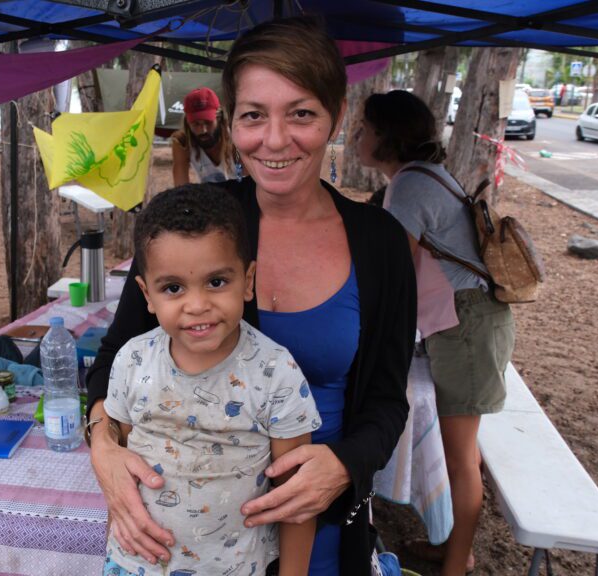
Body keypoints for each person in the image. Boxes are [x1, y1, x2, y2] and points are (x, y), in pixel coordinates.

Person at [86, 17, 417, 576]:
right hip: (185, 539)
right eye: (254, 115)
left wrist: (344, 465)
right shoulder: (200, 230)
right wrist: (104, 450)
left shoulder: (380, 241)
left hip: (317, 533)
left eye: (302, 113)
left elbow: (388, 398)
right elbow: (114, 358)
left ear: (336, 116)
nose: (276, 139)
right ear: (232, 120)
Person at [100, 184, 321, 576]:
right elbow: (120, 472)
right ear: (146, 295)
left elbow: (296, 499)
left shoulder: (276, 373)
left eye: (217, 282)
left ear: (248, 280)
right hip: (133, 567)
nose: (197, 304)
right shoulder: (131, 361)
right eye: (173, 288)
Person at [354, 89, 515, 576]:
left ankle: (456, 565)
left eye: (364, 128)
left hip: (468, 326)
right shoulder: (422, 177)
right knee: (458, 450)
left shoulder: (408, 184)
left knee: (462, 457)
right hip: (469, 322)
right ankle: (454, 550)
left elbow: (393, 271)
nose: (358, 136)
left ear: (386, 136)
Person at [171, 87, 234, 185]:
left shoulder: (236, 138)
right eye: (196, 124)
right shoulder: (182, 142)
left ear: (219, 119)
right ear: (188, 123)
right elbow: (180, 187)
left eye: (208, 123)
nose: (203, 130)